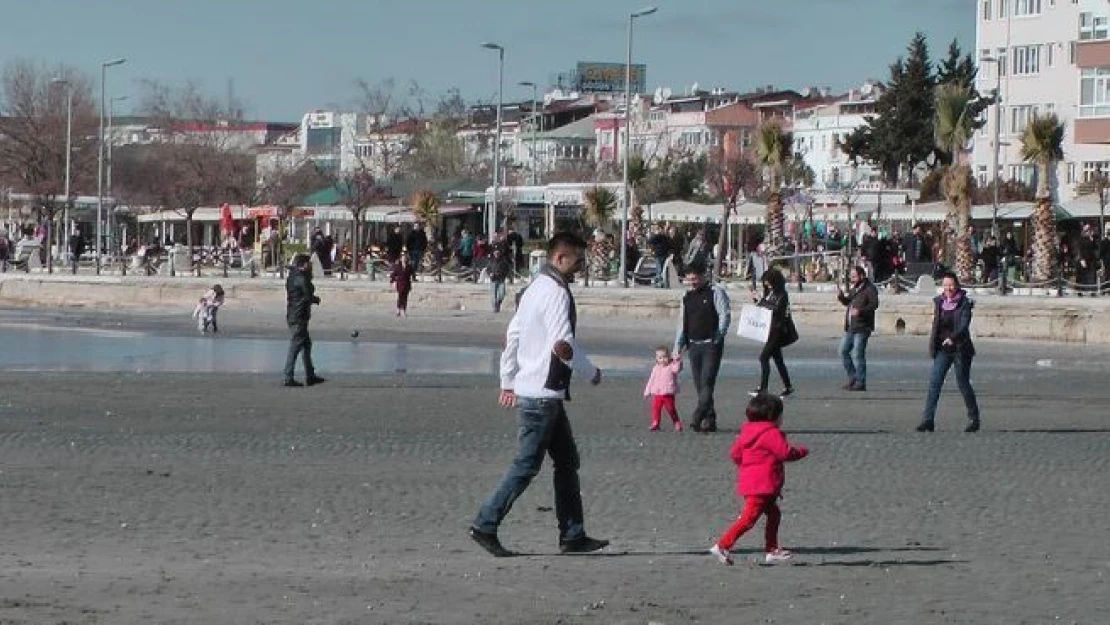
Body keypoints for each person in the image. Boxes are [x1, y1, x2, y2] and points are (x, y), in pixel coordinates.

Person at [469, 232, 608, 558]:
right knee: (527, 464)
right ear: (560, 259)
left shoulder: (534, 289)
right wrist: (591, 372)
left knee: (567, 462)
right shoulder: (555, 292)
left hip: (539, 392)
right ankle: (485, 523)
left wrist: (507, 379)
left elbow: (513, 335)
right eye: (577, 260)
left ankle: (573, 534)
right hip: (543, 394)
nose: (580, 266)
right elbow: (563, 345)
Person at [708, 392, 808, 566]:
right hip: (762, 485)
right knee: (749, 518)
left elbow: (735, 454)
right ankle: (722, 545)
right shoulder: (771, 433)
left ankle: (772, 550)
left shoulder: (747, 432)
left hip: (753, 483)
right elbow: (785, 453)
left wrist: (748, 467)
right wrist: (802, 452)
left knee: (773, 514)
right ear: (774, 416)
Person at [917, 272, 980, 432]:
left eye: (951, 285)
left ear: (957, 285)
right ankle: (928, 420)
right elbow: (936, 325)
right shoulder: (939, 302)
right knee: (934, 383)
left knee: (963, 383)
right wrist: (933, 344)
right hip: (943, 349)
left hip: (960, 348)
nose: (948, 288)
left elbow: (964, 325)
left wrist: (953, 337)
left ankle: (974, 418)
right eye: (945, 285)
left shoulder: (964, 303)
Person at [674, 260, 731, 433]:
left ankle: (698, 415)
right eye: (689, 279)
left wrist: (719, 334)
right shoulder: (687, 296)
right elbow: (682, 322)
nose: (692, 282)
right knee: (699, 384)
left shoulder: (716, 292)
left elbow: (724, 314)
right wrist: (677, 347)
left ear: (703, 276)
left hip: (711, 344)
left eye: (695, 279)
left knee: (707, 381)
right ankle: (710, 419)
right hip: (693, 345)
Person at [749, 269, 796, 398]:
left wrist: (762, 301)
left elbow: (777, 309)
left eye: (768, 282)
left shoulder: (782, 294)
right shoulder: (770, 293)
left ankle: (763, 388)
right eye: (765, 282)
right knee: (778, 360)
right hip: (769, 329)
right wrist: (757, 299)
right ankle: (788, 386)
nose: (767, 284)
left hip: (777, 330)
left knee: (763, 358)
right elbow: (765, 307)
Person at [283, 253, 325, 388]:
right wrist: (315, 299)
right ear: (304, 265)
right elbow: (307, 295)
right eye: (309, 264)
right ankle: (288, 377)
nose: (311, 266)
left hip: (294, 314)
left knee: (306, 345)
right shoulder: (301, 278)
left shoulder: (293, 276)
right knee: (295, 346)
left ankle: (310, 375)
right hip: (298, 316)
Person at [836, 266, 879, 391]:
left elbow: (874, 304)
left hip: (863, 327)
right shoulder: (855, 288)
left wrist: (860, 311)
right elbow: (848, 302)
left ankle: (861, 382)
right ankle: (853, 378)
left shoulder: (870, 289)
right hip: (851, 327)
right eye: (852, 276)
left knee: (858, 354)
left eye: (854, 276)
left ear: (861, 276)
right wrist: (841, 297)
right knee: (843, 351)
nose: (852, 279)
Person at [643, 345, 684, 432]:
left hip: (668, 393)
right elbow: (651, 380)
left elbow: (677, 369)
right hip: (657, 393)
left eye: (665, 357)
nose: (663, 359)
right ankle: (655, 423)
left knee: (671, 409)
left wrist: (677, 360)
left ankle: (676, 422)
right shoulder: (655, 368)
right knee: (656, 408)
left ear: (669, 357)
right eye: (660, 358)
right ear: (657, 359)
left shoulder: (671, 366)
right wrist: (647, 391)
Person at [488, 244, 511, 313]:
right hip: (493, 280)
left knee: (502, 294)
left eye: (498, 253)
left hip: (501, 280)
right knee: (493, 295)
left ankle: (498, 303)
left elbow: (507, 269)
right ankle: (495, 308)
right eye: (495, 253)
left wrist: (504, 275)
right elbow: (488, 269)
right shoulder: (491, 261)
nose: (496, 254)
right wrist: (490, 274)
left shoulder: (503, 261)